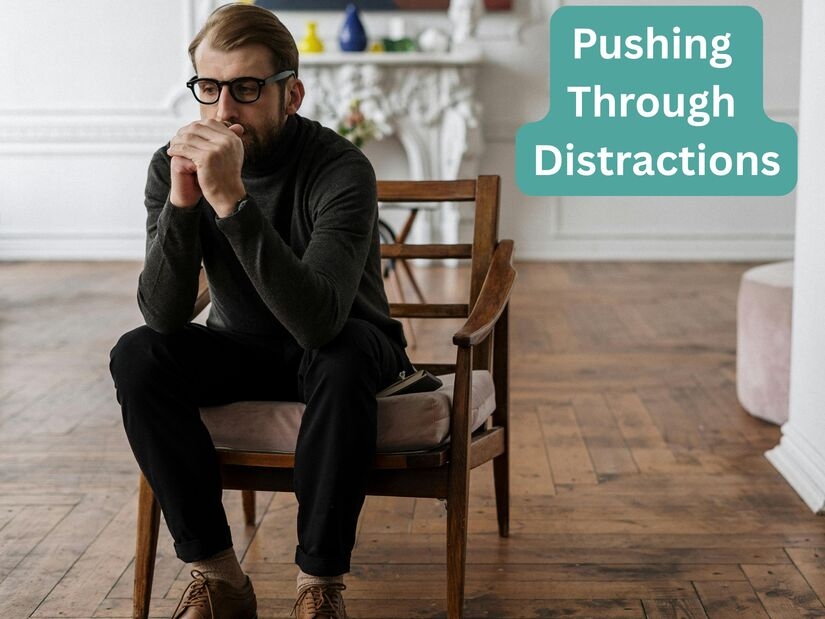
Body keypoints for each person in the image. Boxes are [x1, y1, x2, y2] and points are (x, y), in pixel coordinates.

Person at [109, 4, 412, 618]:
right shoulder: (172, 165)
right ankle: (219, 577)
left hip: (344, 348)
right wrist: (185, 202)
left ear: (291, 93)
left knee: (343, 351)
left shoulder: (341, 169)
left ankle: (318, 587)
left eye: (246, 89)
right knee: (137, 353)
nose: (224, 112)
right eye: (210, 88)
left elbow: (319, 321)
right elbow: (164, 315)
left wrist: (231, 201)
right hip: (244, 348)